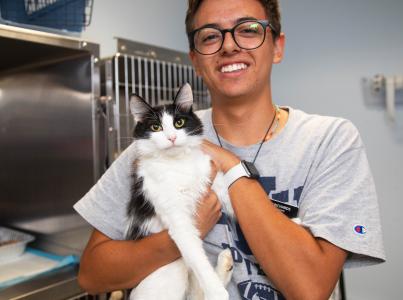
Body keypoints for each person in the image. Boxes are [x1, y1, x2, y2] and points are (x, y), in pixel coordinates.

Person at [74, 0, 386, 299]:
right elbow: (92, 275)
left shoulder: (329, 140)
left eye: (248, 29)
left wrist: (230, 165)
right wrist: (180, 237)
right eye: (210, 36)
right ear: (195, 60)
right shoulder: (153, 148)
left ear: (277, 47)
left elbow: (310, 291)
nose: (229, 45)